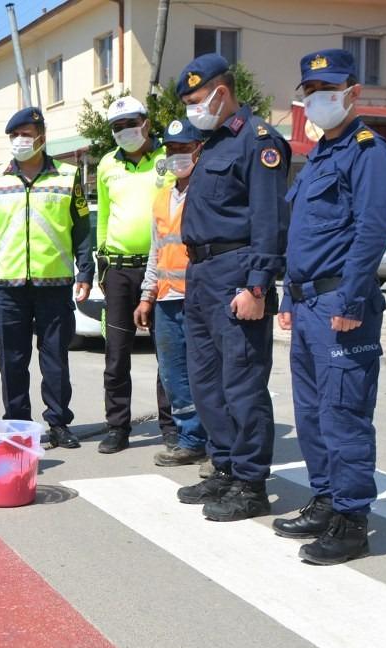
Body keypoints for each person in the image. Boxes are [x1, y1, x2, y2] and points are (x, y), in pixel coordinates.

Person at [274, 50, 386, 565]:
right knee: (311, 414)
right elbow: (301, 237)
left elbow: (371, 231)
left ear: (353, 92)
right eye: (310, 91)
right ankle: (326, 499)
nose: (317, 99)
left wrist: (351, 298)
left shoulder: (368, 152)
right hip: (308, 304)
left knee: (344, 413)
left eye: (328, 89)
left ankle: (351, 520)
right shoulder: (320, 156)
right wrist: (288, 294)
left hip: (340, 304)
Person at [173, 54, 290, 522]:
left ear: (222, 93)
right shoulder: (214, 143)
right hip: (201, 274)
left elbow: (269, 219)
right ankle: (223, 467)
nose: (193, 110)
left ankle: (250, 482)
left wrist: (257, 285)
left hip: (236, 273)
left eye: (197, 100)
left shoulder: (258, 141)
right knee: (206, 382)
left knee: (242, 384)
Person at [0, 107, 93, 449]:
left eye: (26, 134)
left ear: (41, 137)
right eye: (15, 135)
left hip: (55, 284)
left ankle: (59, 423)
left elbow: (81, 229)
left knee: (55, 360)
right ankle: (18, 424)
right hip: (7, 287)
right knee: (12, 361)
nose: (20, 140)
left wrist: (86, 270)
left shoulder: (67, 176)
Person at [94, 96, 176, 456]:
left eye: (130, 123)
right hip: (118, 268)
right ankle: (117, 426)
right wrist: (101, 260)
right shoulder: (106, 164)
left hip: (161, 266)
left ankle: (171, 425)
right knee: (116, 353)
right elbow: (104, 216)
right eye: (117, 126)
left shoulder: (167, 157)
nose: (124, 131)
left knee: (167, 351)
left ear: (146, 122)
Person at [134, 118, 210, 468]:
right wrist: (146, 295)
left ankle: (216, 442)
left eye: (184, 148)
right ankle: (190, 439)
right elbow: (157, 250)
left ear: (198, 149)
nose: (177, 155)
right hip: (166, 299)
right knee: (173, 374)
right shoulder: (162, 197)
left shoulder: (208, 192)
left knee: (205, 374)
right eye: (171, 149)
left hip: (200, 296)